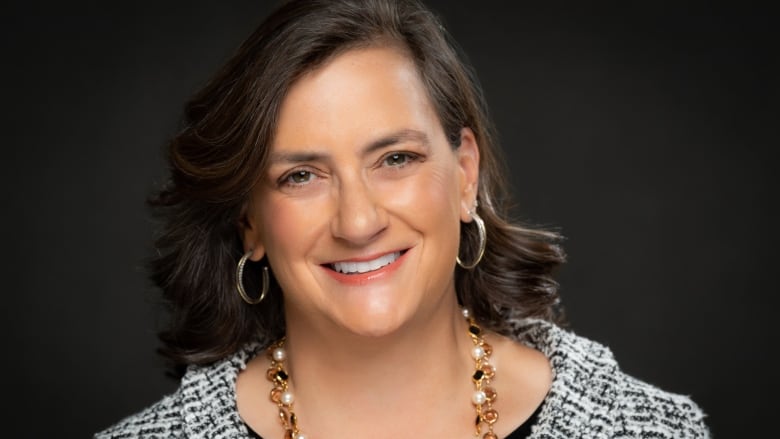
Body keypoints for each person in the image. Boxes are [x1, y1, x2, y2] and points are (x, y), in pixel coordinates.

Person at [96, 0, 709, 437]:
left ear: (464, 174)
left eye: (395, 158)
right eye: (301, 176)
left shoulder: (646, 429)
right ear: (249, 221)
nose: (357, 222)